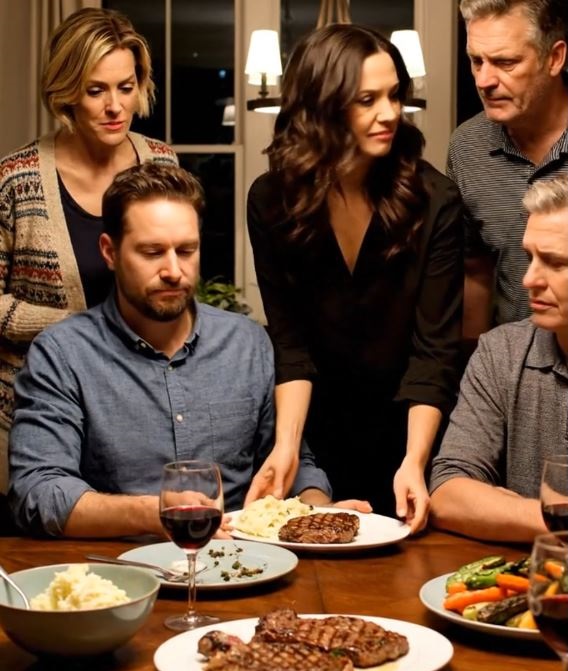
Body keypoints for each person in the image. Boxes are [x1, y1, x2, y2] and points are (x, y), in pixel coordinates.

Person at [7, 162, 366, 539]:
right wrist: (154, 513)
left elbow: (292, 463)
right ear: (110, 252)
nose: (173, 271)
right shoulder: (62, 354)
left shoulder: (247, 344)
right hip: (121, 564)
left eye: (186, 250)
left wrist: (317, 509)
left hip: (242, 561)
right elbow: (37, 492)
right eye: (152, 252)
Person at [246, 23, 464, 532]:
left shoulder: (435, 200)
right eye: (367, 99)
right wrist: (287, 447)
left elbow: (434, 353)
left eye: (394, 95)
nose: (390, 113)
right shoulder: (271, 201)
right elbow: (290, 344)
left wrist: (414, 461)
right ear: (321, 107)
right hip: (318, 436)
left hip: (412, 433)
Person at [0, 7, 178, 496]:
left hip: (136, 416)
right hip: (33, 413)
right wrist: (76, 327)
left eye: (126, 87)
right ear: (66, 92)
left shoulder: (162, 164)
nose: (115, 106)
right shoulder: (16, 179)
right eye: (96, 90)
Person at [430, 176, 568, 543]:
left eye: (555, 263)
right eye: (529, 258)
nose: (528, 280)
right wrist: (551, 519)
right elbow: (447, 493)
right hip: (535, 576)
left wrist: (503, 510)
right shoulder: (502, 352)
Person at [448, 0, 568, 345]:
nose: (484, 80)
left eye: (505, 63)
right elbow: (476, 271)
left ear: (554, 58)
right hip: (511, 365)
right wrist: (477, 361)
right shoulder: (467, 147)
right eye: (476, 61)